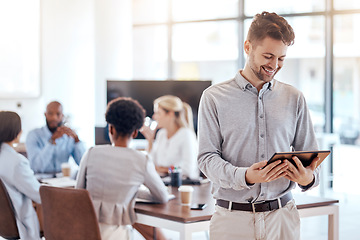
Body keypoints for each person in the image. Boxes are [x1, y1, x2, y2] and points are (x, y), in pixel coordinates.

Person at [197, 11, 320, 240]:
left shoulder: (294, 98)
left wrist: (307, 179)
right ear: (247, 47)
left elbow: (312, 161)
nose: (274, 65)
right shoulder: (214, 97)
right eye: (268, 56)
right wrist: (245, 176)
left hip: (283, 218)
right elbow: (206, 158)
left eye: (281, 59)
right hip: (232, 221)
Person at [76, 97, 169, 240]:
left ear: (110, 128)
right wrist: (133, 192)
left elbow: (79, 193)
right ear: (135, 133)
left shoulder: (91, 152)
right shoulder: (141, 160)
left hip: (83, 230)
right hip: (116, 234)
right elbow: (162, 197)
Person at [0, 111, 42, 240]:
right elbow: (39, 195)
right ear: (16, 132)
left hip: (4, 226)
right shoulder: (16, 161)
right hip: (21, 223)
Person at [141, 95, 199, 179]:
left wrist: (163, 169)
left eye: (158, 113)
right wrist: (150, 140)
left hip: (182, 184)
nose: (154, 117)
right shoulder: (161, 134)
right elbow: (151, 164)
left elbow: (188, 170)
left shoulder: (186, 135)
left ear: (170, 114)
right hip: (164, 181)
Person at [26, 101, 85, 175]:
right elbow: (37, 167)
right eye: (50, 113)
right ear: (45, 114)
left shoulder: (68, 137)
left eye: (58, 114)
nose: (54, 118)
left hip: (63, 182)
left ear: (62, 116)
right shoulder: (34, 135)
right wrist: (52, 141)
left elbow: (82, 164)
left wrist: (77, 141)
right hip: (41, 182)